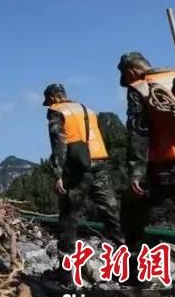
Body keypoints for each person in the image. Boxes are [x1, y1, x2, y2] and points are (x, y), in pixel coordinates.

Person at [119, 53, 175, 260]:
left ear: (131, 71)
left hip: (167, 169)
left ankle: (141, 274)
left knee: (137, 219)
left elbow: (138, 133)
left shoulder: (141, 87)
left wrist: (136, 174)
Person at [43, 83, 124, 263]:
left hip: (77, 168)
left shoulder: (57, 111)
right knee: (110, 212)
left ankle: (67, 269)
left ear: (54, 97)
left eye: (48, 100)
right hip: (100, 163)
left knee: (69, 217)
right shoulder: (86, 109)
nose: (48, 105)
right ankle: (129, 263)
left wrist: (58, 175)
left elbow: (59, 144)